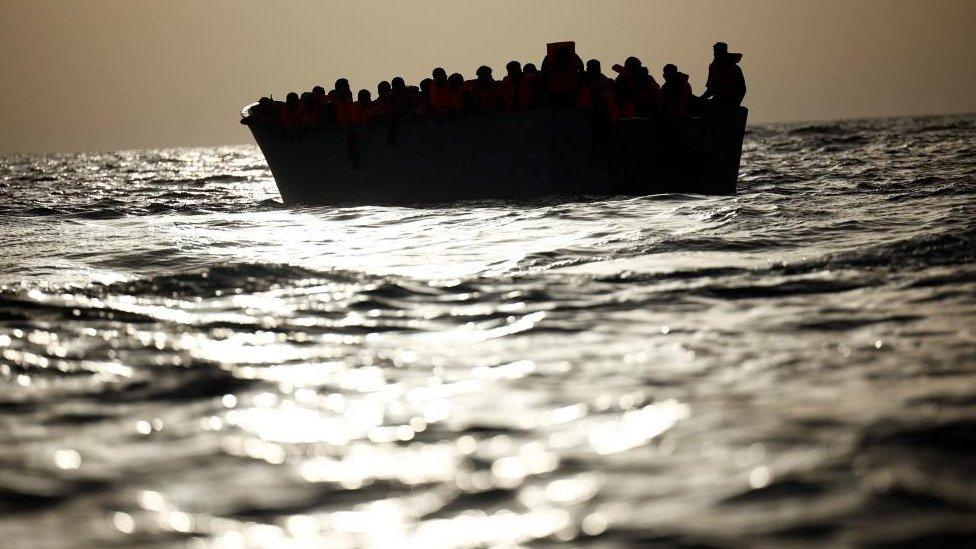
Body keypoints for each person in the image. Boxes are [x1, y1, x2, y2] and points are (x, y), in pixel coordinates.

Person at [700, 42, 746, 108]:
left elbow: (741, 89)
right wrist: (700, 99)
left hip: (729, 102)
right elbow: (710, 89)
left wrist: (735, 104)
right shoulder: (714, 67)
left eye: (717, 52)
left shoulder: (733, 69)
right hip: (719, 100)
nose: (715, 54)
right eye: (715, 52)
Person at [541, 42, 584, 106]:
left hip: (568, 91)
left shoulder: (549, 58)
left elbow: (581, 68)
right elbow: (581, 68)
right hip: (555, 91)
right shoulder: (549, 58)